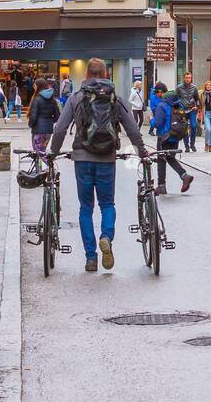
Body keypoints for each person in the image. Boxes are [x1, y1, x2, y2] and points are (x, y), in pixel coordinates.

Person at [50, 56, 148, 272]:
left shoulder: (76, 97)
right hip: (106, 158)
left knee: (86, 208)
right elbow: (132, 128)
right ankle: (106, 236)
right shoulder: (116, 98)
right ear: (105, 75)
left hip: (82, 159)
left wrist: (52, 153)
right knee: (107, 205)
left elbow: (60, 129)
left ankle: (91, 258)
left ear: (86, 75)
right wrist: (142, 151)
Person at [152, 82, 193, 195]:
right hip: (176, 135)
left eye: (156, 92)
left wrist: (151, 120)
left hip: (164, 137)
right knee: (170, 158)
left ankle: (162, 186)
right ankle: (184, 176)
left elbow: (158, 123)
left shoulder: (162, 105)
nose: (156, 94)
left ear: (161, 92)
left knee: (161, 159)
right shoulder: (177, 103)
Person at [28, 76, 61, 156]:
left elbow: (33, 116)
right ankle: (48, 167)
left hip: (38, 130)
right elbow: (58, 116)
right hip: (48, 130)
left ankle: (47, 165)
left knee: (38, 154)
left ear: (39, 86)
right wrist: (49, 121)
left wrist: (30, 124)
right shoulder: (52, 99)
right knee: (42, 151)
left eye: (35, 85)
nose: (33, 86)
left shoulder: (37, 99)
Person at [176, 71, 201, 152]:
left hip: (191, 110)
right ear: (184, 78)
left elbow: (197, 99)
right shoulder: (179, 87)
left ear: (191, 78)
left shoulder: (194, 87)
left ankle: (192, 144)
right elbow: (175, 99)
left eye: (189, 78)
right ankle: (186, 146)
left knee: (194, 126)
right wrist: (178, 108)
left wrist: (196, 106)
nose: (188, 79)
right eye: (186, 78)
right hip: (182, 111)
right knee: (185, 128)